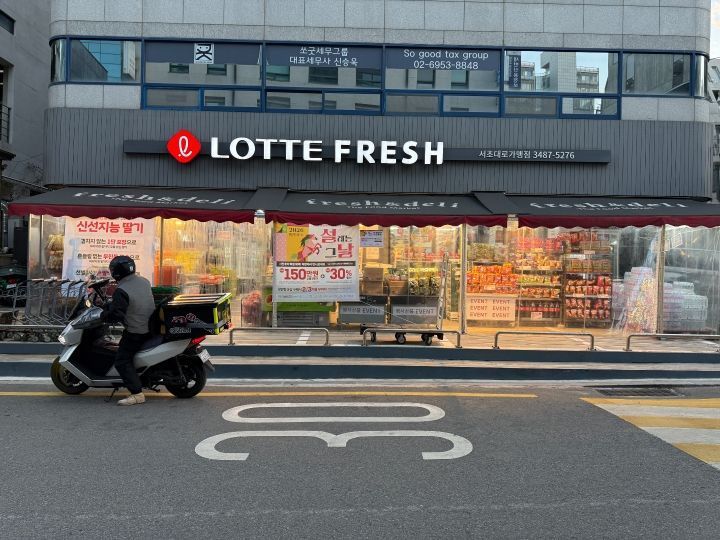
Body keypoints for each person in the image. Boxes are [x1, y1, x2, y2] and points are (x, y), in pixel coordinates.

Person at [104, 256, 155, 406]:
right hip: (149, 326)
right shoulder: (144, 281)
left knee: (121, 361)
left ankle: (137, 394)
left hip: (136, 331)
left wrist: (103, 316)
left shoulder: (121, 290)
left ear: (117, 272)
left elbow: (116, 315)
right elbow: (135, 301)